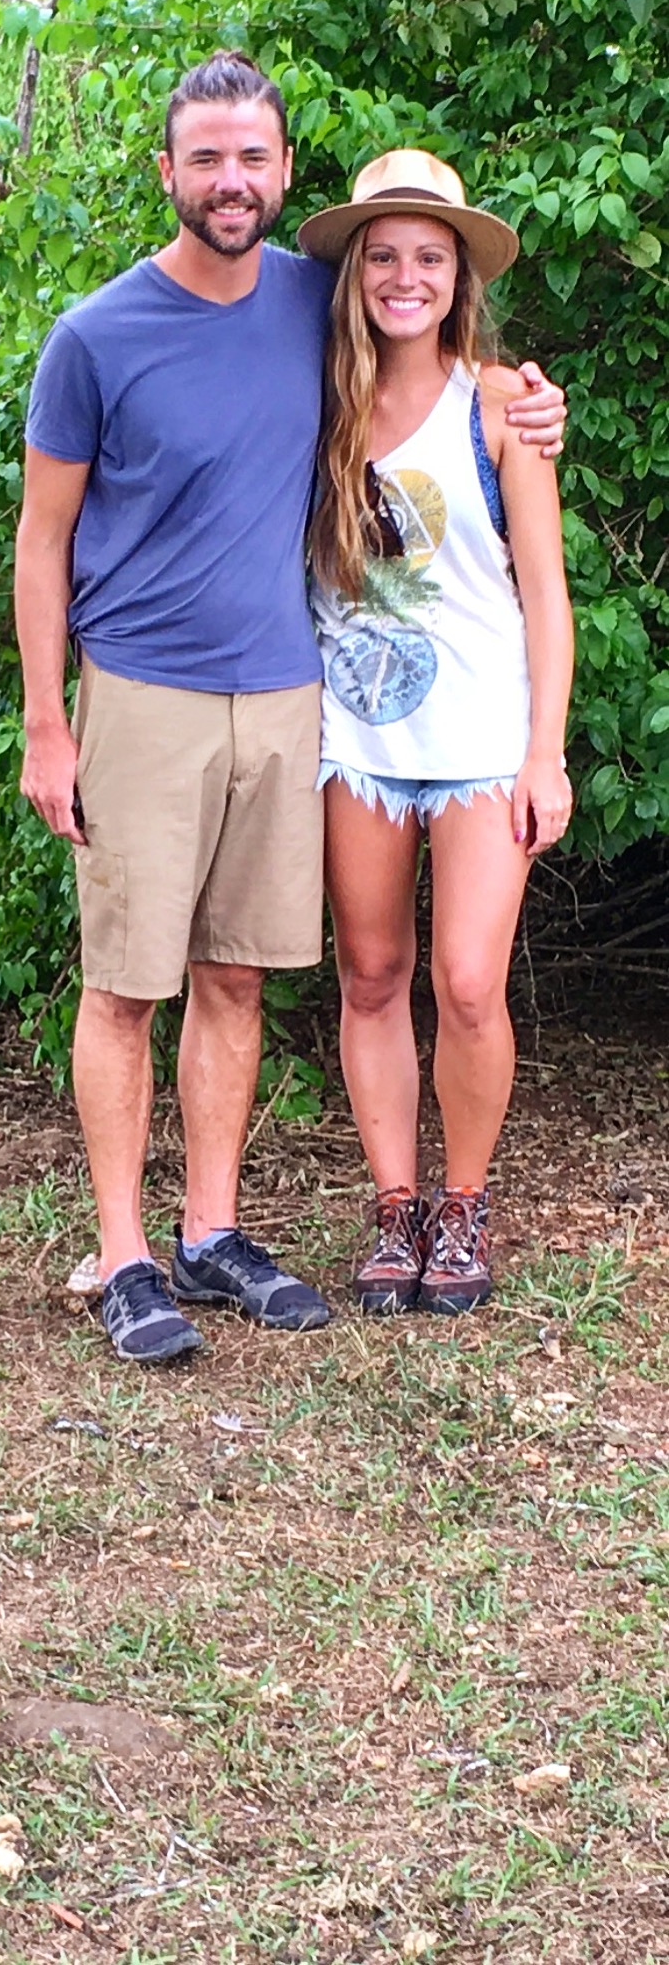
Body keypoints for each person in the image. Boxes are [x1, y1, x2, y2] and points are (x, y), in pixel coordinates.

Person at [14, 52, 566, 1364]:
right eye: (203, 158)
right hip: (159, 695)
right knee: (136, 982)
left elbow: (451, 368)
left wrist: (527, 396)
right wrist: (48, 719)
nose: (228, 180)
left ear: (277, 174)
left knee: (246, 977)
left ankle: (214, 1228)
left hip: (292, 703)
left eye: (250, 158)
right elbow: (41, 540)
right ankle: (127, 1249)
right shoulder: (104, 335)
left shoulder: (355, 327)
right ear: (167, 172)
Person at [298, 152, 572, 1315]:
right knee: (370, 976)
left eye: (429, 256)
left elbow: (547, 596)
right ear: (355, 269)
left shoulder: (504, 403)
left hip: (479, 738)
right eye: (384, 255)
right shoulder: (317, 396)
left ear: (458, 274)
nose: (404, 276)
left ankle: (463, 1206)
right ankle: (395, 1205)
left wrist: (547, 750)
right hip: (354, 737)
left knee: (467, 983)